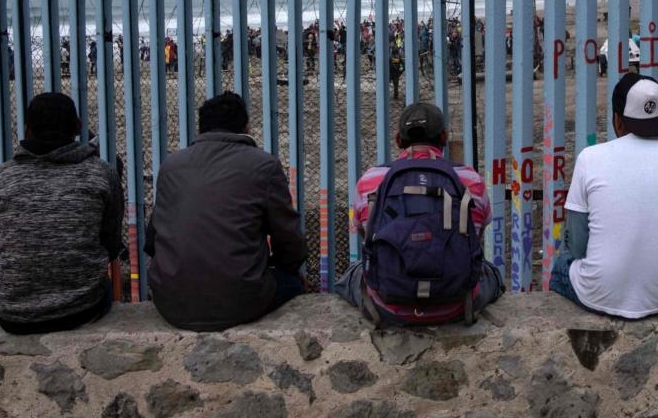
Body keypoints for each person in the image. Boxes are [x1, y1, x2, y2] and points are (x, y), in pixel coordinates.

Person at [146, 92, 307, 330]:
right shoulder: (264, 165)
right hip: (241, 301)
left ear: (201, 129)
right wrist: (283, 267)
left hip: (171, 302)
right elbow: (289, 241)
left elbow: (152, 241)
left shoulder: (172, 165)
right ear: (246, 127)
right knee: (293, 284)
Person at [549, 73, 658, 318]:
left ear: (617, 120)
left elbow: (578, 247)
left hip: (597, 295)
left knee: (561, 263)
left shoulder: (590, 158)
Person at [338, 102, 503, 325]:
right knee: (491, 272)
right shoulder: (471, 180)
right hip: (456, 305)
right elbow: (476, 237)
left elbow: (363, 234)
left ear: (398, 140)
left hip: (387, 307)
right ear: (444, 137)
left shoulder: (370, 180)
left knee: (351, 275)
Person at [0, 92, 123, 334]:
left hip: (13, 315)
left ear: (27, 129)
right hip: (82, 308)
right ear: (77, 126)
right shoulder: (101, 173)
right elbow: (110, 242)